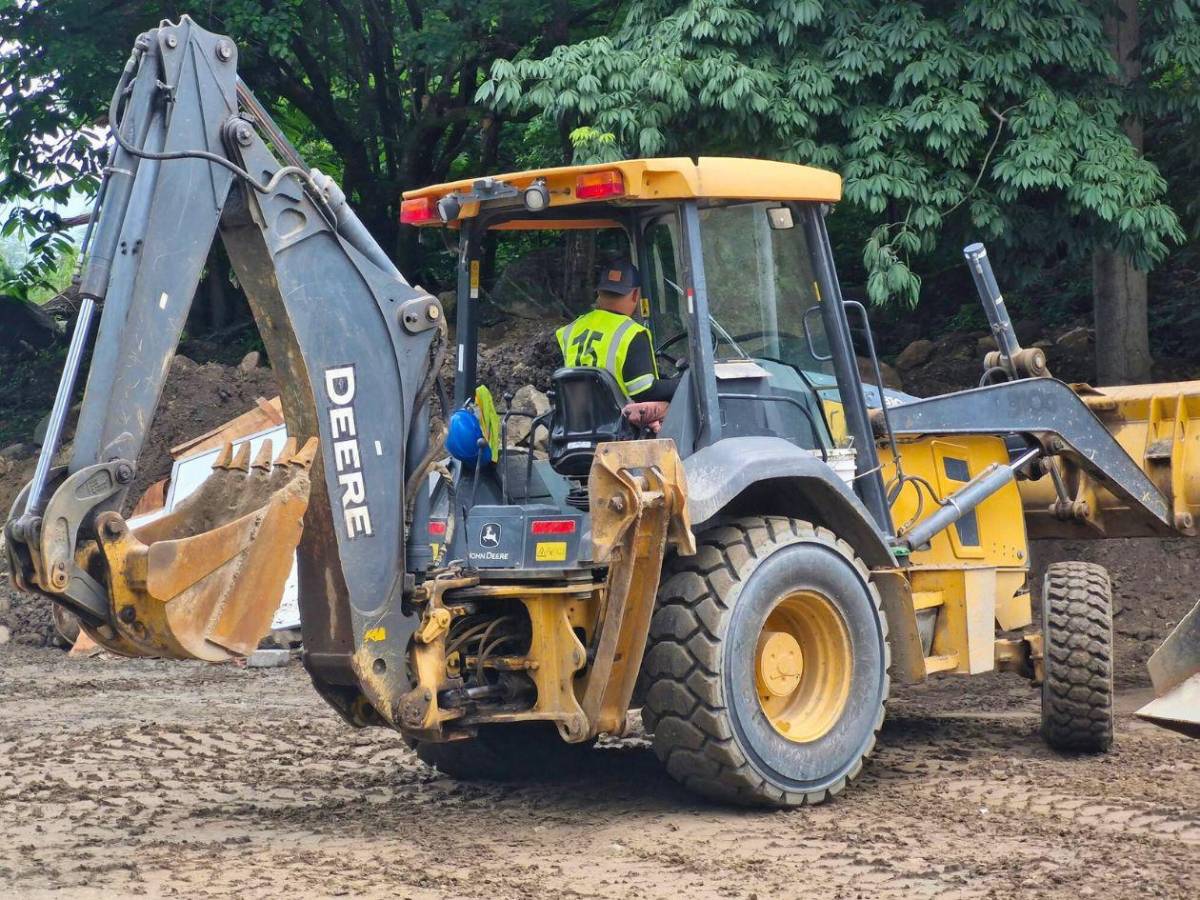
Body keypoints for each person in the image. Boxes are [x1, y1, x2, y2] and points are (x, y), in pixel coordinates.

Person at [555, 259, 678, 404]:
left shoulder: (570, 330)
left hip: (578, 421)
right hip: (620, 422)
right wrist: (683, 383)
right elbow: (644, 391)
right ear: (635, 294)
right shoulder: (632, 334)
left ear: (599, 291)